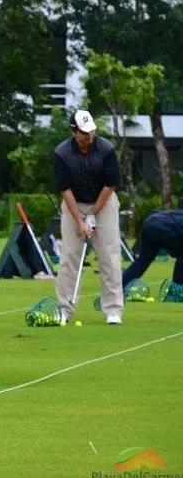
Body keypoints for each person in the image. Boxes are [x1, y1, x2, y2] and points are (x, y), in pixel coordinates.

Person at [53, 110, 123, 325]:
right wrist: (80, 221)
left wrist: (92, 215)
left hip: (105, 202)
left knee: (109, 255)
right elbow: (64, 190)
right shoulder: (62, 153)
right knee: (69, 257)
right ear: (74, 131)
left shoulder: (106, 149)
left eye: (91, 131)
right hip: (74, 203)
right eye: (84, 132)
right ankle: (65, 309)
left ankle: (113, 310)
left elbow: (110, 184)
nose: (89, 136)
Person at [122, 198, 183, 291]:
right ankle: (176, 290)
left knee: (141, 262)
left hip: (151, 221)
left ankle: (117, 288)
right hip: (164, 226)